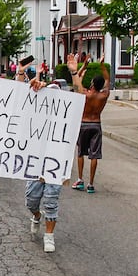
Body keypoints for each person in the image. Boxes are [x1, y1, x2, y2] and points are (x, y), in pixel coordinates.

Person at [23, 78, 63, 253]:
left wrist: (75, 72)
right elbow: (21, 104)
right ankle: (36, 216)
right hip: (35, 163)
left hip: (55, 164)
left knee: (51, 201)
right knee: (31, 200)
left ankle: (49, 236)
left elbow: (81, 99)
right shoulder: (35, 115)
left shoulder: (65, 119)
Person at [67, 54, 111, 194]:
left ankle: (80, 179)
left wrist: (82, 67)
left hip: (83, 123)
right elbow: (107, 79)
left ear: (92, 83)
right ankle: (91, 184)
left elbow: (76, 81)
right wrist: (102, 65)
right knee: (94, 155)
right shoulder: (104, 95)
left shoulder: (85, 94)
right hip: (96, 124)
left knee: (80, 153)